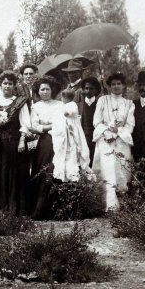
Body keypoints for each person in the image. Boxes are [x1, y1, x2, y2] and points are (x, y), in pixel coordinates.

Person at [28, 76, 90, 219]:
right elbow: (34, 126)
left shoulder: (60, 104)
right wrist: (53, 125)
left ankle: (57, 210)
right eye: (42, 89)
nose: (45, 92)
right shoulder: (35, 107)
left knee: (59, 169)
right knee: (44, 171)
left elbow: (70, 119)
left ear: (53, 90)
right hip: (45, 141)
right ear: (38, 91)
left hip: (62, 140)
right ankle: (39, 210)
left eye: (47, 89)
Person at [0, 71, 32, 215]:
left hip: (15, 143)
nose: (7, 86)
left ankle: (16, 210)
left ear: (14, 85)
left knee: (15, 174)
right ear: (0, 85)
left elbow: (26, 123)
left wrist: (22, 140)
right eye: (5, 83)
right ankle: (1, 209)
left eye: (10, 83)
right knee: (0, 173)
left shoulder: (20, 101)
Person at [92, 72, 135, 211]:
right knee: (108, 170)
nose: (116, 86)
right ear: (109, 86)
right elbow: (97, 121)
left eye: (119, 84)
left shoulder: (129, 104)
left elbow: (130, 125)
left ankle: (122, 203)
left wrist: (117, 133)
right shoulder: (102, 100)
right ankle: (109, 206)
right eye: (113, 84)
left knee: (122, 171)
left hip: (121, 141)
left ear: (123, 86)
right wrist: (106, 132)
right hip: (105, 140)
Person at [78, 77, 101, 166]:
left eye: (91, 89)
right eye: (86, 88)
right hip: (83, 139)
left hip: (97, 139)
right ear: (83, 90)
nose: (88, 91)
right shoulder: (78, 105)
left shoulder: (100, 104)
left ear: (96, 90)